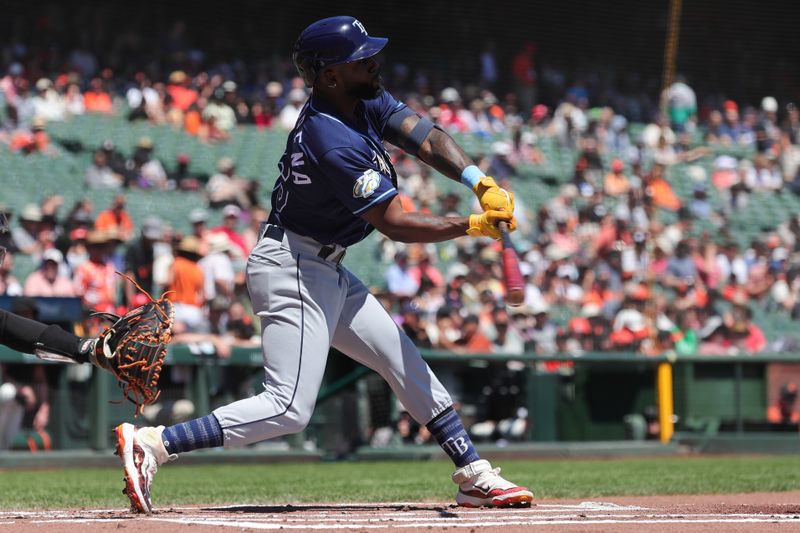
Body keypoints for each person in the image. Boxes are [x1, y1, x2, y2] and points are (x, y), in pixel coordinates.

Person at [115, 16, 530, 514]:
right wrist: (471, 225)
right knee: (289, 408)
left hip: (325, 265)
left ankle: (471, 473)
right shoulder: (329, 137)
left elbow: (423, 136)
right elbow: (394, 223)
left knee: (403, 360)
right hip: (291, 263)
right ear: (330, 74)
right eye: (361, 59)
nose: (374, 63)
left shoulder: (360, 95)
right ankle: (155, 444)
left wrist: (477, 179)